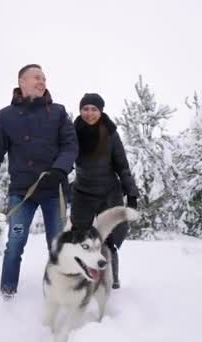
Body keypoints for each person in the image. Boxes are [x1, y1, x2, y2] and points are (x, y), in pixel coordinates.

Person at [0, 64, 78, 300]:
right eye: (36, 77)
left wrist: (59, 169)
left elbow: (70, 146)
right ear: (21, 82)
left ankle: (59, 293)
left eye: (44, 78)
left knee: (57, 246)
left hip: (54, 192)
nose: (42, 81)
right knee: (15, 243)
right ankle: (7, 294)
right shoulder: (5, 117)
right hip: (22, 193)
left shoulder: (58, 112)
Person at [70, 93, 139, 289]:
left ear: (101, 111)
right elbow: (66, 157)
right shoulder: (72, 132)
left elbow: (122, 166)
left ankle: (111, 279)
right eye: (85, 109)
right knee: (80, 237)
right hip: (82, 192)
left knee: (109, 238)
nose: (89, 113)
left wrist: (131, 193)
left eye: (94, 109)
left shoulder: (110, 133)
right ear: (80, 110)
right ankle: (81, 277)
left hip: (109, 192)